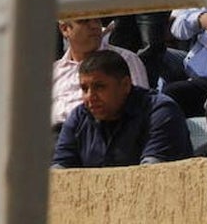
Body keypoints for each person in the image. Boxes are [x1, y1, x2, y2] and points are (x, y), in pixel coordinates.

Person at [52, 49, 192, 168]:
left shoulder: (160, 111)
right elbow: (61, 171)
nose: (90, 96)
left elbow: (151, 176)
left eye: (99, 87)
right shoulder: (79, 116)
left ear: (125, 85)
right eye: (84, 89)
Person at [52, 18, 147, 127]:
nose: (94, 26)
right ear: (65, 29)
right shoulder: (54, 72)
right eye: (84, 21)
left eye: (97, 20)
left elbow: (140, 109)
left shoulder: (126, 60)